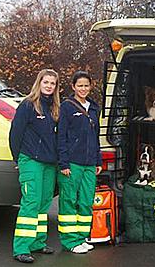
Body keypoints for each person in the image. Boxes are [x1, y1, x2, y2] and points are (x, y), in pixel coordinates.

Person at [9, 69, 60, 263]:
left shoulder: (54, 107)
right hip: (30, 160)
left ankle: (37, 242)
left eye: (52, 83)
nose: (49, 86)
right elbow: (15, 134)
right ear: (39, 83)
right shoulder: (28, 106)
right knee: (30, 203)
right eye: (46, 82)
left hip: (49, 163)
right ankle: (21, 247)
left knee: (43, 203)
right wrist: (18, 160)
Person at [57, 70, 102, 254]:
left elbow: (96, 136)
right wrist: (64, 163)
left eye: (86, 85)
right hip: (72, 163)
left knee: (85, 201)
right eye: (80, 85)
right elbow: (61, 136)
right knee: (68, 200)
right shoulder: (66, 107)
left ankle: (82, 237)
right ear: (73, 87)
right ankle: (70, 241)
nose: (83, 88)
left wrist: (98, 160)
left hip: (90, 163)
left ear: (90, 86)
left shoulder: (94, 108)